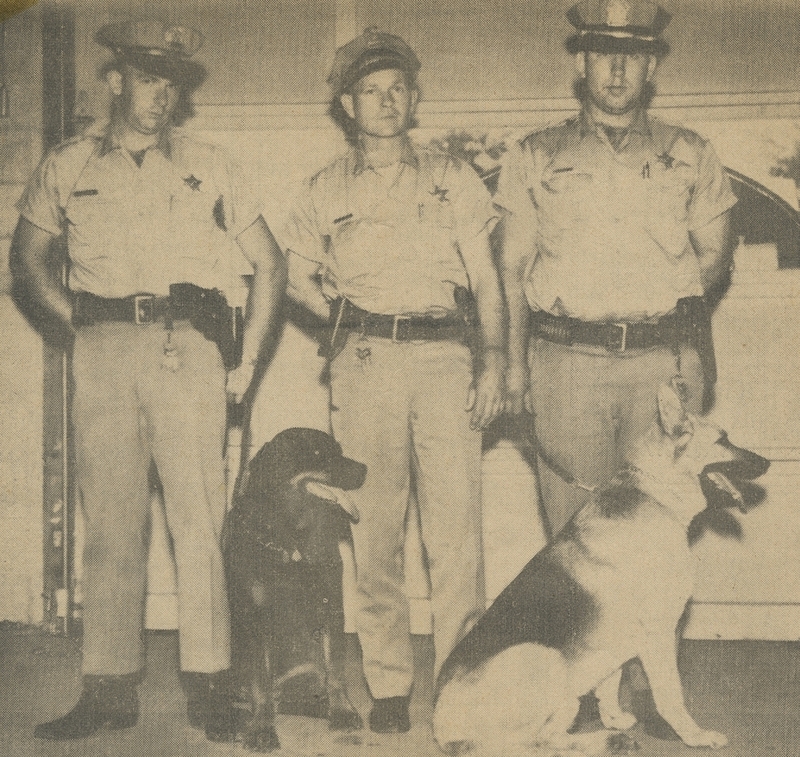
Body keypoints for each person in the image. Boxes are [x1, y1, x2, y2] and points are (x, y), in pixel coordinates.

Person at [12, 19, 286, 741]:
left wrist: (247, 361)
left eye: (172, 81)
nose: (160, 94)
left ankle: (210, 682)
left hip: (188, 348)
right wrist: (83, 324)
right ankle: (107, 686)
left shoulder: (211, 164)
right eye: (146, 77)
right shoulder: (69, 165)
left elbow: (271, 263)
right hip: (102, 348)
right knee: (110, 524)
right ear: (115, 81)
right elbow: (28, 261)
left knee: (200, 519)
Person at [283, 28, 505, 733]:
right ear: (348, 105)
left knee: (456, 534)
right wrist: (345, 327)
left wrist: (496, 358)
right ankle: (386, 682)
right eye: (369, 91)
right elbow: (293, 275)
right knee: (373, 528)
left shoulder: (453, 177)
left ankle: (460, 680)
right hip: (369, 362)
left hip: (445, 360)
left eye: (397, 89)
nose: (385, 102)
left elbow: (489, 280)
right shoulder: (323, 188)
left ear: (414, 99)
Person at [499, 0, 737, 540]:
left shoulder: (691, 152)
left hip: (661, 370)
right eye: (604, 53)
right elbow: (511, 267)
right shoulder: (536, 153)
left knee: (657, 534)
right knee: (576, 537)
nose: (616, 69)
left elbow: (715, 256)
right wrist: (515, 367)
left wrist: (660, 298)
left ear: (652, 68)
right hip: (566, 368)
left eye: (632, 55)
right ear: (580, 62)